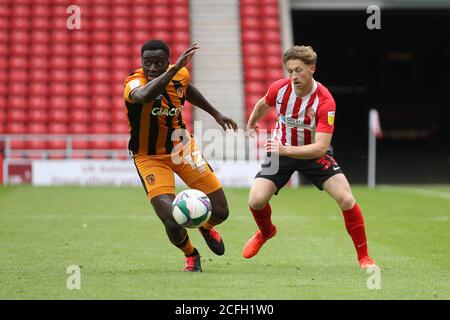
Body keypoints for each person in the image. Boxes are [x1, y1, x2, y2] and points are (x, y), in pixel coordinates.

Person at [242, 45, 376, 269]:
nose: (293, 76)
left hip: (310, 152)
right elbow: (263, 104)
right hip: (281, 151)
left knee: (346, 199)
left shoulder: (325, 101)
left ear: (312, 68)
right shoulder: (279, 89)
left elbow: (320, 148)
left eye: (299, 70)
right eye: (290, 71)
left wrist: (284, 150)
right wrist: (251, 123)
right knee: (255, 200)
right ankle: (266, 232)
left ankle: (364, 257)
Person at [123, 40, 238, 272]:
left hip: (182, 148)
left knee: (221, 211)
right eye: (147, 63)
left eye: (158, 63)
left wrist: (215, 113)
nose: (152, 67)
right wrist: (174, 69)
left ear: (167, 61)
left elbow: (186, 88)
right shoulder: (134, 82)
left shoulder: (180, 75)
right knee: (171, 219)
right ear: (141, 62)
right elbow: (144, 96)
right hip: (149, 157)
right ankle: (191, 254)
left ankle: (205, 226)